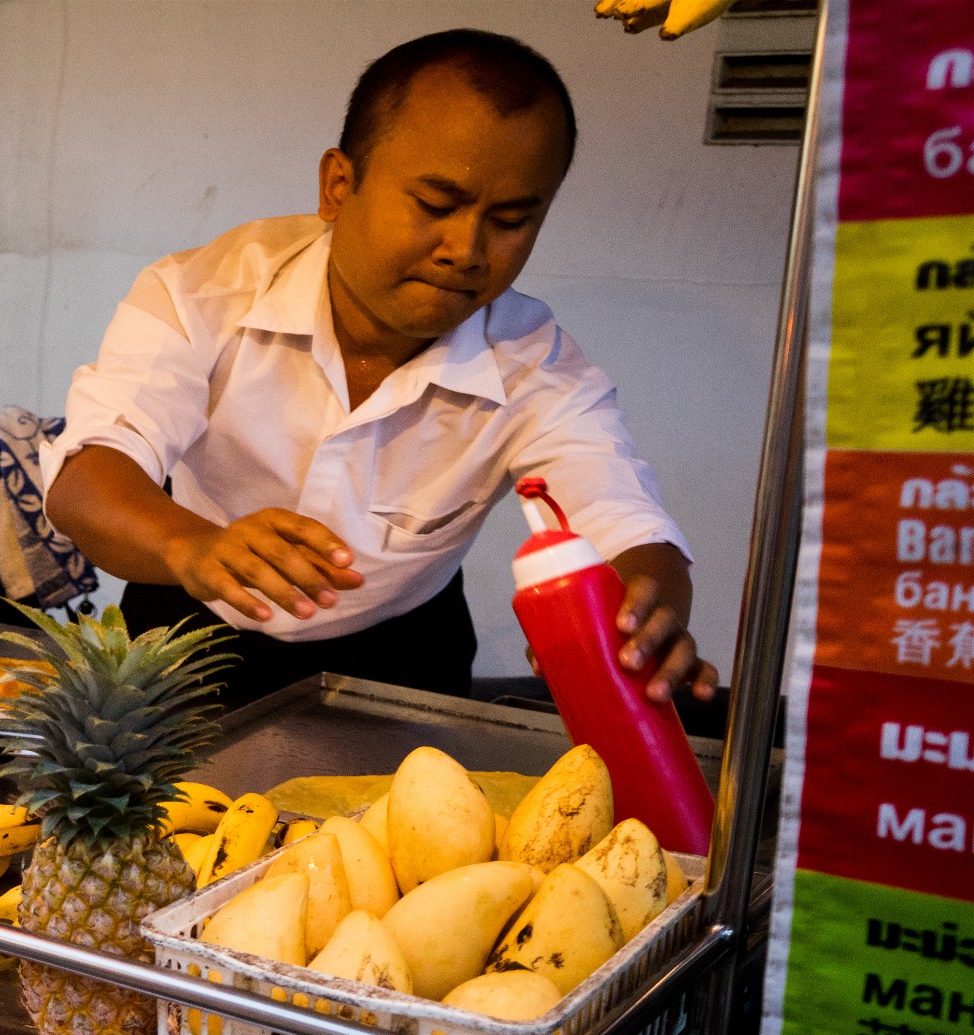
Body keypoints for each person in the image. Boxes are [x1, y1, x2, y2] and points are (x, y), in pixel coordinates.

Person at [42, 28, 720, 710]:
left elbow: (626, 523)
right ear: (339, 185)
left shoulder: (533, 364)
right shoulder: (202, 294)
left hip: (404, 653)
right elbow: (87, 478)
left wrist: (641, 616)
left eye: (512, 219)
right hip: (187, 619)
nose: (467, 249)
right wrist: (195, 546)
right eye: (435, 205)